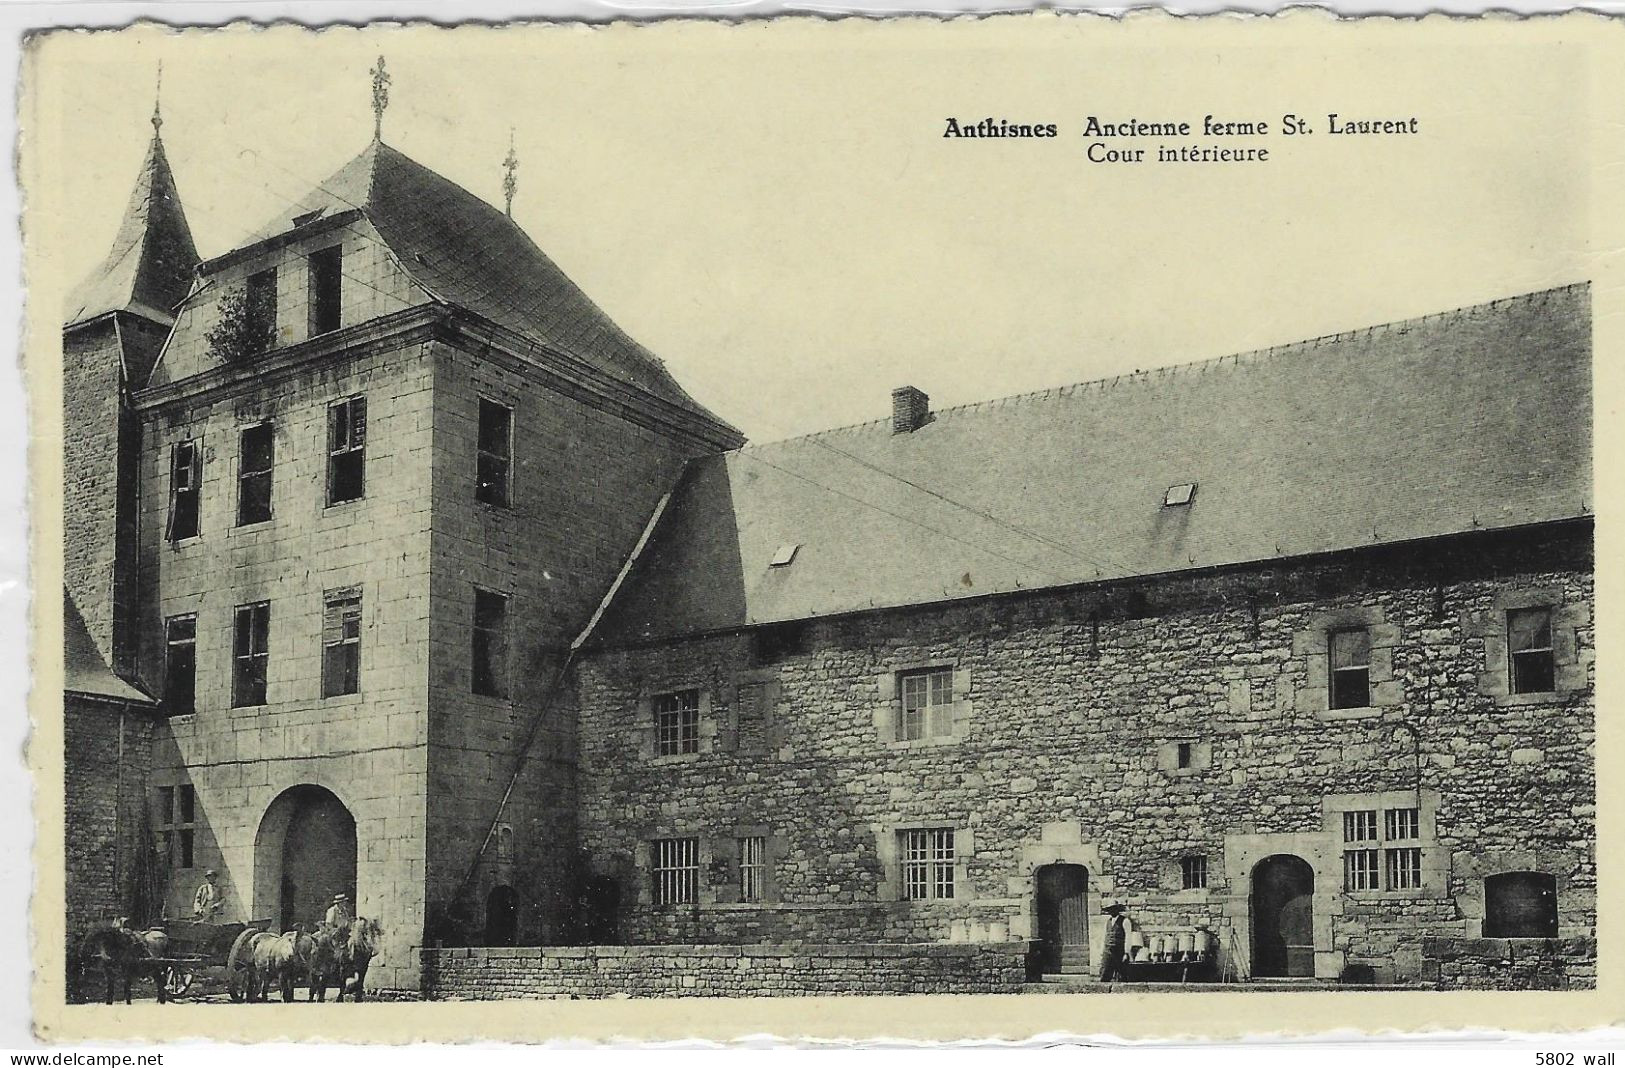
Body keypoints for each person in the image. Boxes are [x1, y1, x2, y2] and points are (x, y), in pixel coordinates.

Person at [1098, 902, 1128, 983]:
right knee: (1104, 972)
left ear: (1117, 910)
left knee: (1121, 975)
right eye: (1109, 910)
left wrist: (1126, 953)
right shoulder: (1108, 922)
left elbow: (1128, 937)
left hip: (1119, 951)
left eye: (1113, 909)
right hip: (1108, 950)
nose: (1111, 911)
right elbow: (1104, 936)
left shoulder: (1125, 921)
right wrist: (1102, 951)